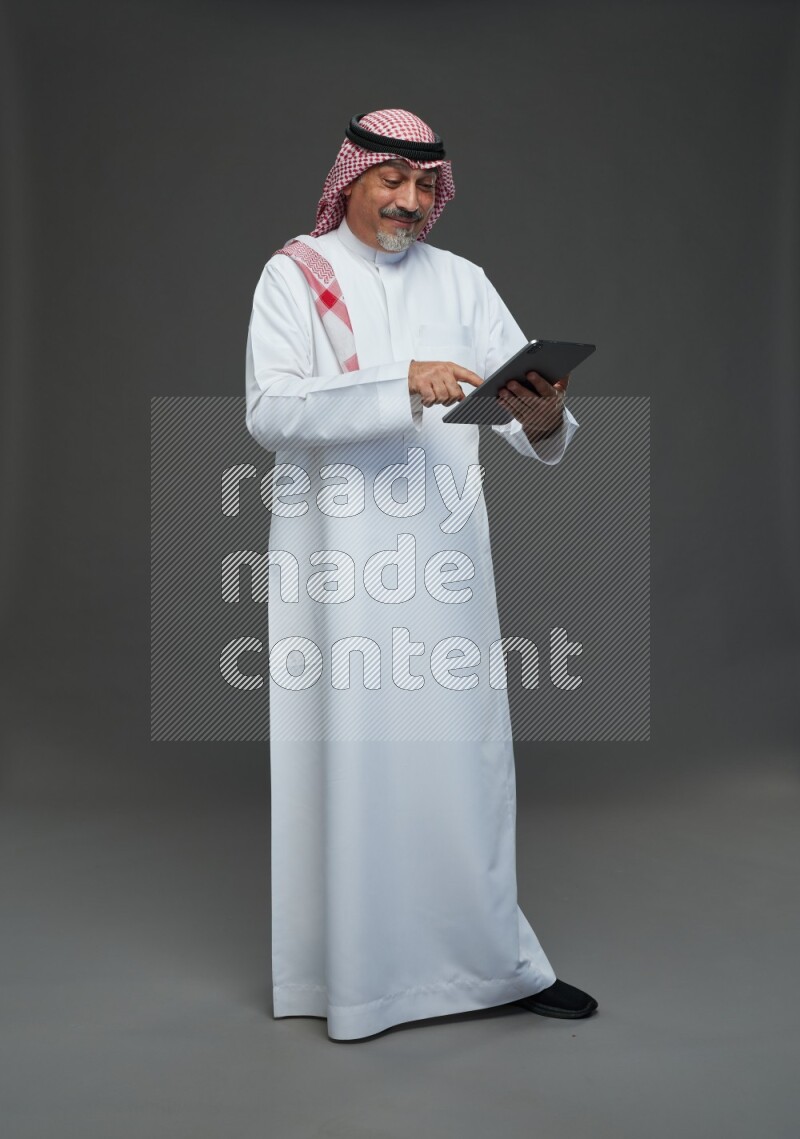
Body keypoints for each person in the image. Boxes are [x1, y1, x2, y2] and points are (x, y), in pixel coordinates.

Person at [245, 108, 597, 1040]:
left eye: (425, 184)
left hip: (444, 566)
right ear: (350, 180)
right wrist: (400, 381)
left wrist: (542, 412)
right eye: (391, 180)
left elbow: (528, 427)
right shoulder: (297, 274)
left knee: (462, 763)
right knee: (358, 759)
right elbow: (270, 410)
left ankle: (491, 965)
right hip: (338, 569)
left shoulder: (463, 281)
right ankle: (361, 983)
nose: (409, 200)